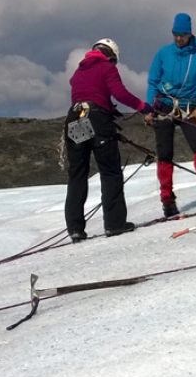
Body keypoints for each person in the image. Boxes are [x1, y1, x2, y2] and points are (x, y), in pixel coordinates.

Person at [64, 38, 152, 241]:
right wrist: (143, 107)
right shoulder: (107, 67)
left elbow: (85, 92)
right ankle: (115, 224)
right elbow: (120, 93)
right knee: (110, 171)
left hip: (76, 117)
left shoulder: (79, 71)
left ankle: (75, 228)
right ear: (111, 56)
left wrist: (109, 108)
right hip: (97, 118)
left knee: (78, 173)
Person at [145, 12, 196, 217]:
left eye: (183, 35)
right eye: (175, 34)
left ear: (190, 33)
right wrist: (149, 109)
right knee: (165, 153)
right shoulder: (163, 53)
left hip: (189, 106)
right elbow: (153, 82)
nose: (179, 39)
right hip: (164, 105)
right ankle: (167, 199)